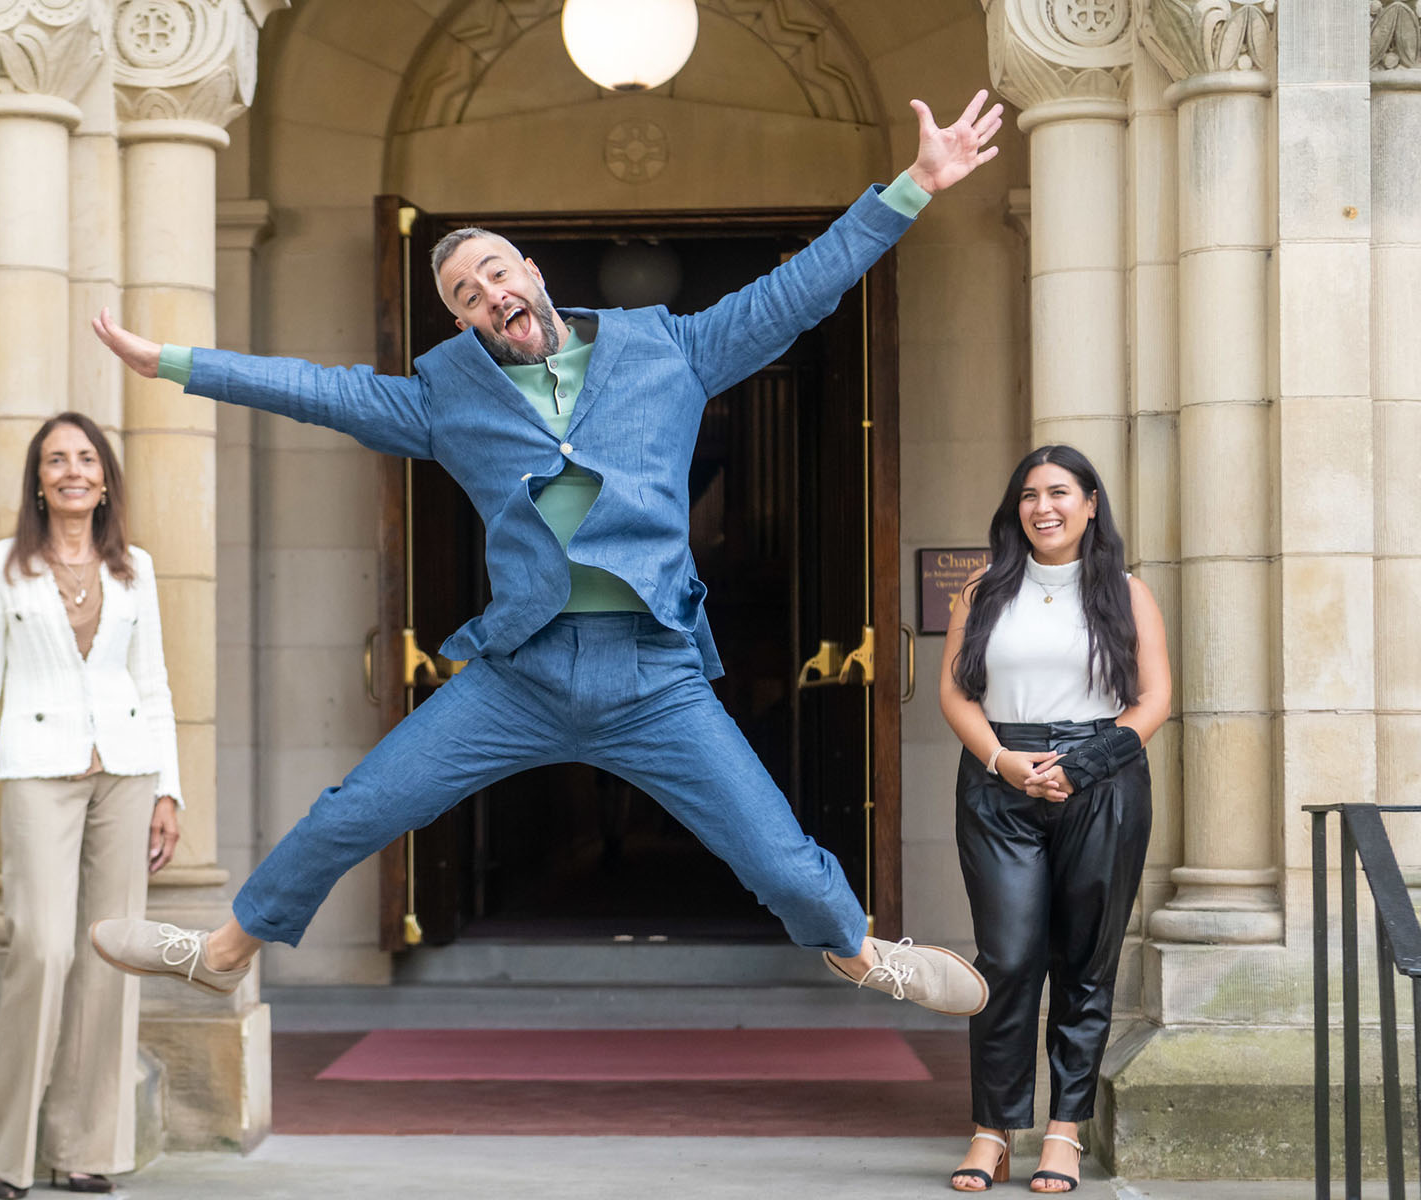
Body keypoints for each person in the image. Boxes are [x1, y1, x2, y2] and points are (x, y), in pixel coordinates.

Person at [87, 93, 1005, 1024]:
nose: (491, 297)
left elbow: (796, 292)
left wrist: (915, 186)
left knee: (773, 854)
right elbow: (318, 392)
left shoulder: (667, 350)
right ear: (461, 324)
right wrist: (170, 361)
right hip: (518, 675)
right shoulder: (446, 398)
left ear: (532, 270)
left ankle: (858, 953)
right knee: (352, 811)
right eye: (465, 297)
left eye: (495, 273)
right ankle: (222, 952)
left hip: (653, 676)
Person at [0, 413, 183, 1199]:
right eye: (56, 460)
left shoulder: (135, 570)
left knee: (109, 956)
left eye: (86, 458)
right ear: (38, 479)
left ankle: (84, 1148)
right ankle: (10, 1156)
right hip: (36, 772)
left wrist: (169, 789)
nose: (72, 471)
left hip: (126, 771)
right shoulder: (2, 567)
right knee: (44, 948)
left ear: (104, 478)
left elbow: (153, 684)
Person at [937, 445, 1170, 1193]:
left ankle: (1065, 1131)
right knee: (1005, 959)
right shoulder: (982, 590)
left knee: (1084, 959)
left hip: (1099, 781)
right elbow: (956, 696)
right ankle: (993, 1130)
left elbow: (1154, 701)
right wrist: (1007, 764)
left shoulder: (1127, 595)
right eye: (1030, 494)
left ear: (1091, 504)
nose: (1045, 507)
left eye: (1061, 492)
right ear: (1016, 509)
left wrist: (1084, 764)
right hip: (999, 783)